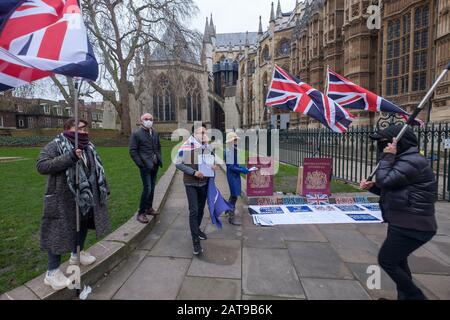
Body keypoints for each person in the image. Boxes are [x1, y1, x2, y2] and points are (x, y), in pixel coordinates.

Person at [360, 125, 438, 300]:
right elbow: (392, 190)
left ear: (397, 143)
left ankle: (416, 297)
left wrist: (388, 156)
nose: (382, 147)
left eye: (384, 143)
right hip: (403, 220)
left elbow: (385, 180)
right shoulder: (404, 160)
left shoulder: (412, 161)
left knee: (387, 260)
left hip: (413, 224)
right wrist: (374, 188)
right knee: (399, 262)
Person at [37, 119, 111, 291]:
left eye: (86, 128)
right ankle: (52, 272)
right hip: (62, 198)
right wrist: (69, 157)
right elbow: (41, 166)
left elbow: (96, 168)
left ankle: (76, 254)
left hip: (85, 196)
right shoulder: (56, 144)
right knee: (59, 231)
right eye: (80, 128)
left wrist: (104, 187)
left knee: (83, 223)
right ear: (67, 129)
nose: (84, 131)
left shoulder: (89, 146)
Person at [176, 125, 215, 255]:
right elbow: (178, 163)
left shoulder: (206, 146)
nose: (204, 134)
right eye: (201, 132)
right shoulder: (186, 145)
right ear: (194, 133)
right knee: (194, 210)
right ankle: (195, 242)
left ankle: (197, 229)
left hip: (203, 183)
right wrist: (193, 172)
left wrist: (213, 165)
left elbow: (211, 161)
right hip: (191, 183)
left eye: (205, 132)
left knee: (201, 210)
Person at [129, 113, 162, 224]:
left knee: (152, 188)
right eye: (146, 119)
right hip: (145, 166)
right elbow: (133, 151)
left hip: (155, 165)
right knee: (147, 188)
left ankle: (149, 208)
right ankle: (141, 213)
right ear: (141, 120)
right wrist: (141, 164)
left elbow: (158, 147)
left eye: (151, 119)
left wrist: (159, 158)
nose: (149, 121)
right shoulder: (136, 134)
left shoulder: (155, 133)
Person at [224, 132, 258, 225]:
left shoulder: (232, 149)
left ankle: (227, 208)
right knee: (234, 195)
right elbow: (231, 166)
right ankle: (231, 217)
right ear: (231, 141)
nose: (237, 141)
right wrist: (244, 170)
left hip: (235, 174)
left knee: (233, 194)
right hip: (232, 175)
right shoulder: (228, 151)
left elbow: (235, 164)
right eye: (235, 139)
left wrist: (242, 168)